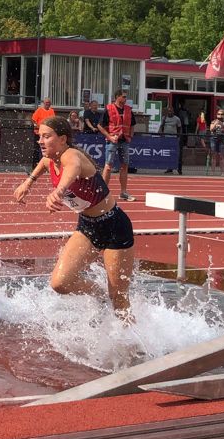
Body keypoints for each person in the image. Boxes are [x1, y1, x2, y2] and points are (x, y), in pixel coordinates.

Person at [14, 116, 134, 315]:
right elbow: (43, 163)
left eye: (46, 137)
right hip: (87, 226)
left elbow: (73, 169)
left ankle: (132, 342)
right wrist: (28, 182)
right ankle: (100, 296)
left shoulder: (72, 156)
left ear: (62, 139)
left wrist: (58, 192)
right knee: (60, 283)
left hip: (114, 227)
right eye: (39, 136)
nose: (40, 141)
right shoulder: (50, 158)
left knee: (119, 297)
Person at [98, 89, 135, 200]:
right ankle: (103, 193)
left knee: (124, 166)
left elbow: (132, 124)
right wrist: (109, 137)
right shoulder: (109, 109)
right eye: (123, 97)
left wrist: (130, 136)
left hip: (124, 141)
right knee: (108, 166)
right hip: (112, 141)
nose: (125, 99)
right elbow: (100, 125)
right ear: (117, 97)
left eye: (125, 97)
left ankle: (123, 192)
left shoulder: (128, 110)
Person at [31, 97, 55, 168]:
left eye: (49, 103)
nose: (47, 104)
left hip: (47, 134)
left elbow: (53, 120)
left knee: (47, 150)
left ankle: (46, 165)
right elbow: (33, 120)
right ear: (43, 103)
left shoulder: (51, 111)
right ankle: (35, 165)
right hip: (39, 133)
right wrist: (36, 126)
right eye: (46, 103)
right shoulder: (39, 110)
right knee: (36, 149)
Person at [159, 106, 182, 174]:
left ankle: (178, 168)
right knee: (168, 154)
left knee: (175, 154)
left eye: (171, 111)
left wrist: (178, 137)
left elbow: (179, 128)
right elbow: (161, 127)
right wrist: (161, 135)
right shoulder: (164, 118)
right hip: (166, 138)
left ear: (173, 112)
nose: (170, 112)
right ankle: (169, 168)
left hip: (173, 139)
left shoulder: (177, 119)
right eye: (169, 111)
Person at [209, 109, 224, 175]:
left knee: (221, 156)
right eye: (219, 114)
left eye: (221, 114)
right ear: (217, 115)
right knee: (214, 155)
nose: (220, 115)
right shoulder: (213, 121)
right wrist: (215, 124)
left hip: (222, 140)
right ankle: (212, 172)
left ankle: (222, 172)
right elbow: (211, 129)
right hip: (214, 139)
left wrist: (221, 125)